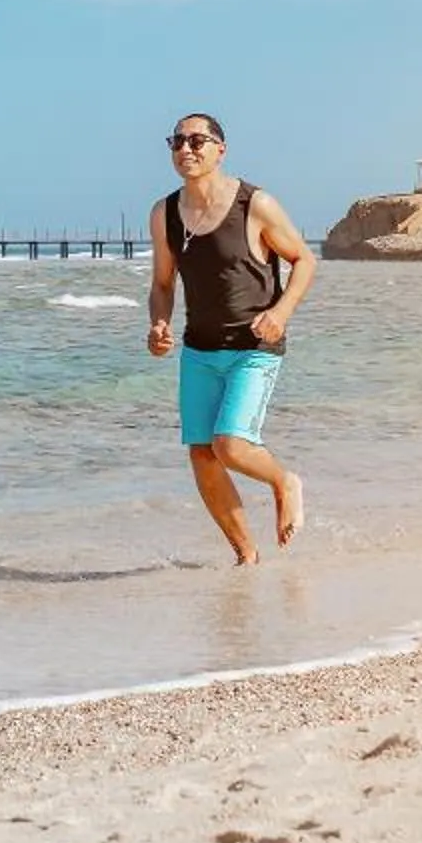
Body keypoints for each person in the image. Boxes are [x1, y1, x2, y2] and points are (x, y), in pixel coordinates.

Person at [147, 113, 316, 565]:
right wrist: (159, 324)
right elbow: (163, 285)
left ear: (221, 149)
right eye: (177, 141)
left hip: (252, 349)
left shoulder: (254, 204)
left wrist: (280, 313)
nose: (186, 148)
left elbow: (304, 260)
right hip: (199, 350)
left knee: (231, 445)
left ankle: (284, 481)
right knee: (203, 457)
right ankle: (247, 557)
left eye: (198, 140)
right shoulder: (164, 213)